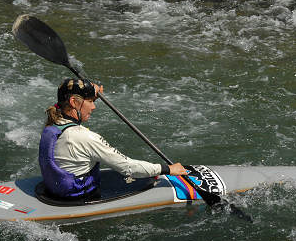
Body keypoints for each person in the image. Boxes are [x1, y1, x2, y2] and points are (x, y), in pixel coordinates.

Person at [39, 77, 187, 199]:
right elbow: (127, 167)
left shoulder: (53, 122)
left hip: (56, 188)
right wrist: (166, 169)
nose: (93, 107)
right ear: (73, 102)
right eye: (90, 101)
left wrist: (92, 92)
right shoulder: (85, 137)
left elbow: (65, 101)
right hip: (80, 196)